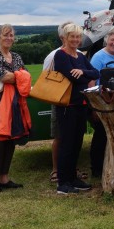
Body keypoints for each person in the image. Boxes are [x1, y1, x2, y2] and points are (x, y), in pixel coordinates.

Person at [54, 23, 100, 195]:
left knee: (77, 143)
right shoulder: (61, 55)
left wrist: (82, 72)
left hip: (81, 106)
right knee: (66, 144)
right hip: (67, 106)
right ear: (65, 38)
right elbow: (72, 78)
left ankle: (73, 178)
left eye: (78, 37)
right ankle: (62, 182)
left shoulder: (80, 57)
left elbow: (96, 73)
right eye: (72, 36)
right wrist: (84, 74)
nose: (75, 40)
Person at [0, 24, 30, 193]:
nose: (9, 38)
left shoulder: (16, 56)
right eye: (6, 35)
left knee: (11, 140)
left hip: (14, 104)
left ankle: (4, 178)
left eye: (11, 35)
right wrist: (19, 76)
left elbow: (26, 75)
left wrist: (17, 76)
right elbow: (4, 76)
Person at [89, 28, 114, 177]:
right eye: (112, 40)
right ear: (106, 40)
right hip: (102, 100)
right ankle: (97, 169)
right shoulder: (98, 57)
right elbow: (91, 81)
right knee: (101, 134)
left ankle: (113, 165)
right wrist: (95, 104)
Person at [42, 21, 73, 185]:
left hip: (74, 101)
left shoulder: (78, 53)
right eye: (70, 34)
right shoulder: (53, 55)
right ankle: (55, 169)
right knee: (60, 136)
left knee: (72, 136)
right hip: (59, 100)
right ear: (62, 37)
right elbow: (45, 78)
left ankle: (70, 168)